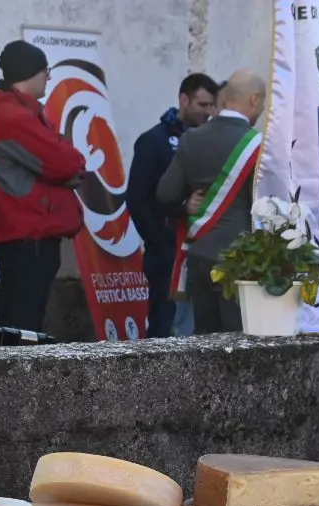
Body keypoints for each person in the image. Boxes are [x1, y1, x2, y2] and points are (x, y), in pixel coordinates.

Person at [0, 40, 88, 334]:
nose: (49, 77)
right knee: (22, 323)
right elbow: (68, 163)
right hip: (28, 237)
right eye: (45, 71)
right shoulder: (13, 117)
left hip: (28, 236)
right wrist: (68, 167)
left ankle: (11, 375)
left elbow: (62, 159)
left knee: (22, 319)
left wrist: (66, 165)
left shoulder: (17, 113)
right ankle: (11, 379)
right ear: (31, 73)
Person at [156, 70, 267, 335]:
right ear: (253, 99)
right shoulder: (258, 145)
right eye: (262, 104)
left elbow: (165, 193)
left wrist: (187, 205)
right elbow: (266, 205)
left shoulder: (191, 138)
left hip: (199, 255)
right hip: (241, 260)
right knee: (237, 342)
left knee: (203, 343)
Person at [124, 73, 220, 338]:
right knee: (165, 326)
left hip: (203, 252)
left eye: (212, 105)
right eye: (202, 105)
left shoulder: (210, 142)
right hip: (168, 254)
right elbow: (137, 198)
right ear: (184, 100)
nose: (209, 112)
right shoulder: (152, 141)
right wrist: (160, 241)